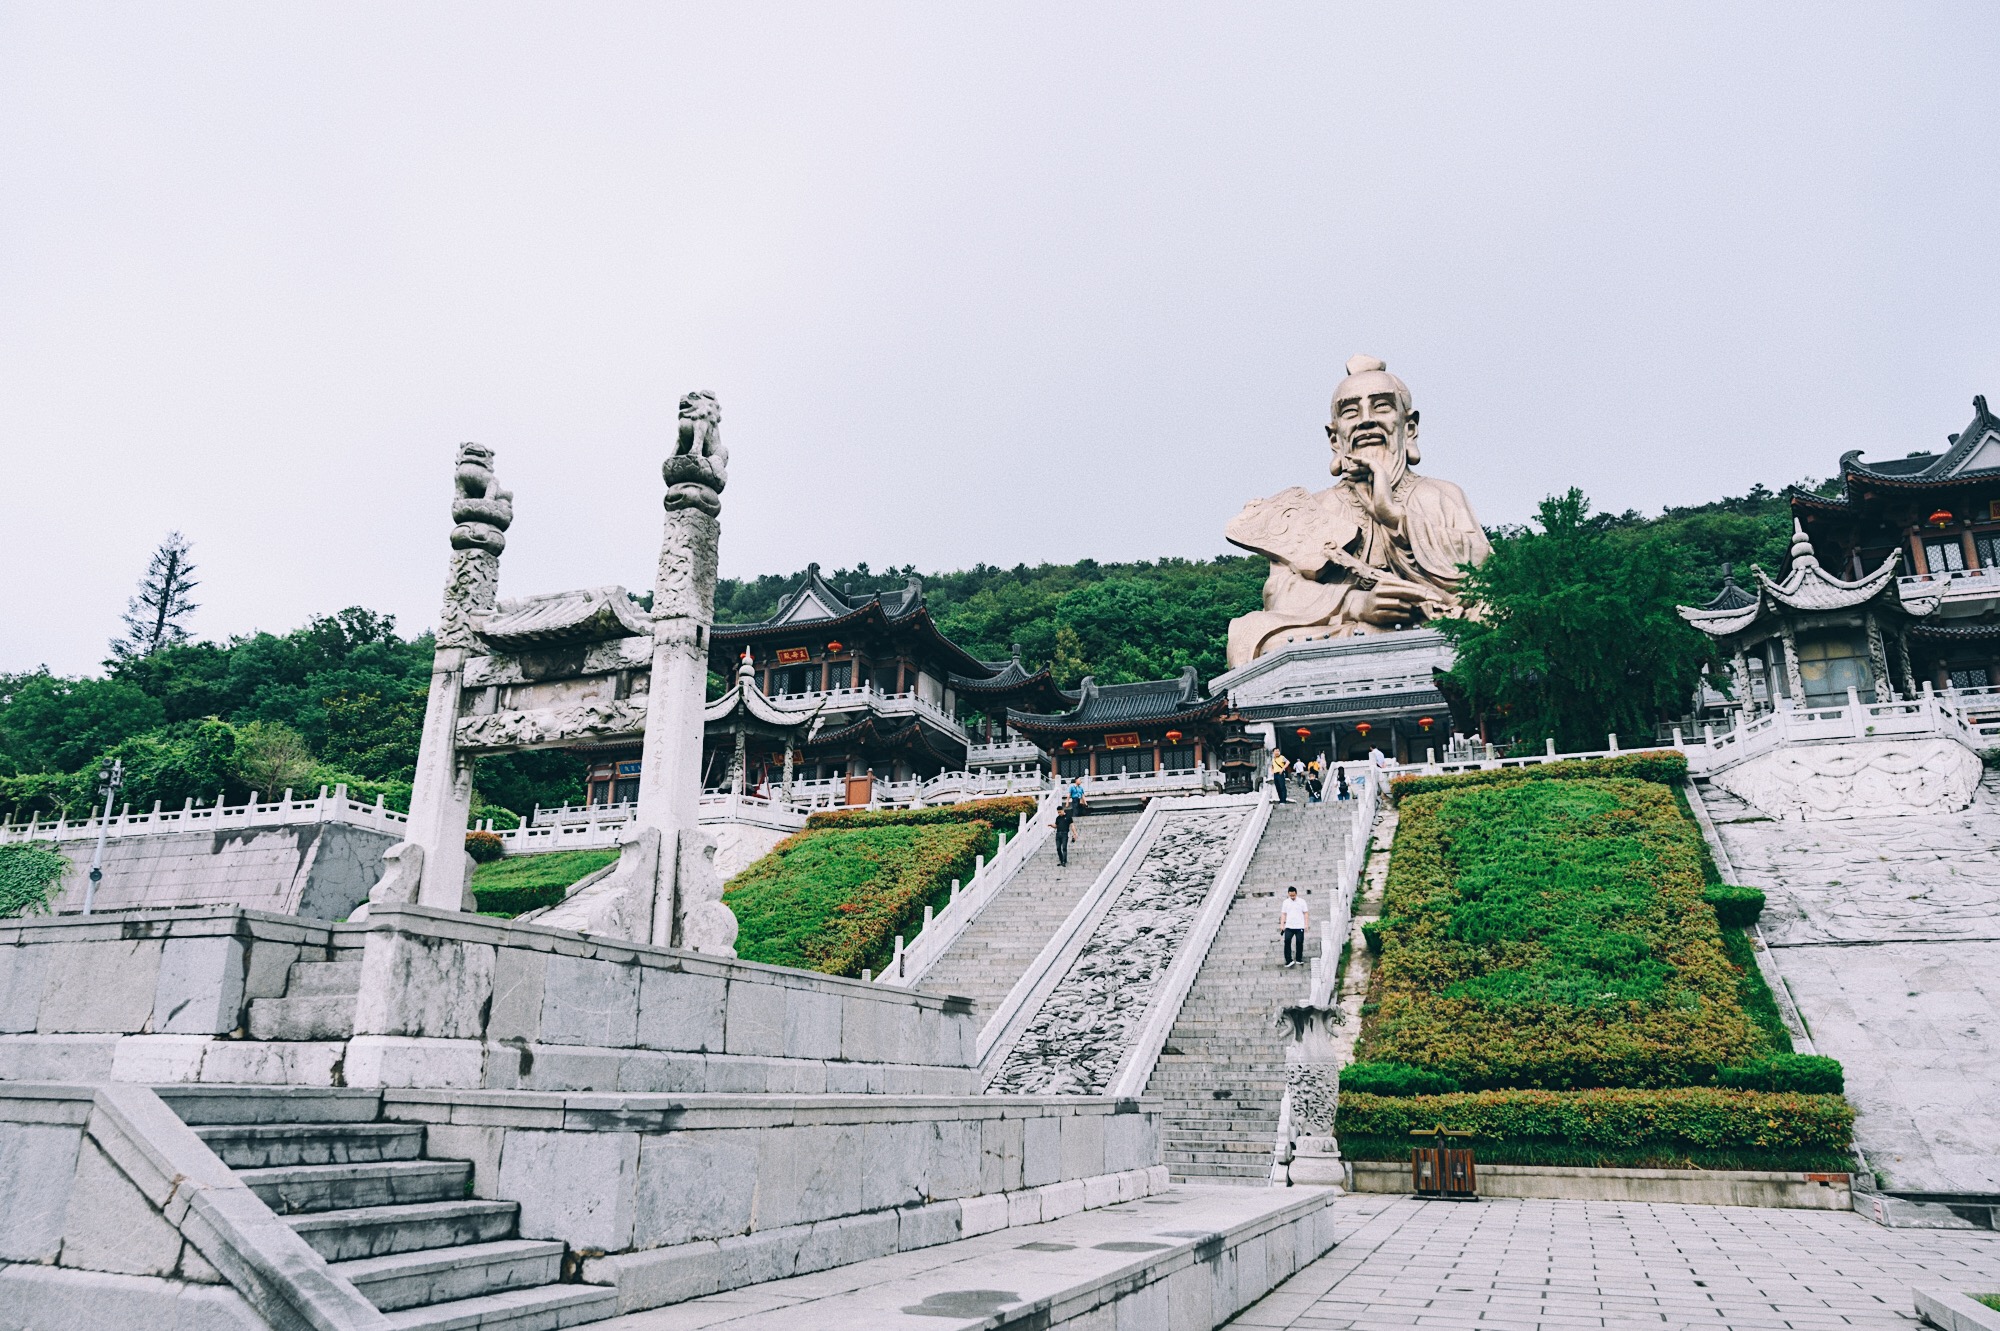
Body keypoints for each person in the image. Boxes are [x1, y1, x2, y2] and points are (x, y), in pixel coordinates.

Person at [1279, 887, 1309, 967]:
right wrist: (1282, 925)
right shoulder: (1285, 902)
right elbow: (1283, 914)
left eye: (1293, 895)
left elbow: (1306, 913)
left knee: (1299, 942)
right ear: (1288, 894)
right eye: (1290, 895)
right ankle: (1289, 960)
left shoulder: (1302, 901)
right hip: (1289, 926)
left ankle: (1299, 959)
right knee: (1287, 941)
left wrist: (1306, 924)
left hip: (1299, 926)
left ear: (1296, 893)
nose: (1292, 897)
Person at [1053, 803, 1076, 868]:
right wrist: (1052, 825)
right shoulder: (1057, 818)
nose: (1059, 813)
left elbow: (1072, 825)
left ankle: (1064, 861)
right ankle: (1061, 860)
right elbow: (1056, 826)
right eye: (1058, 812)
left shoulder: (1068, 817)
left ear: (1063, 810)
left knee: (1064, 848)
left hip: (1064, 834)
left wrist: (1074, 833)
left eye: (1060, 812)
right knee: (1058, 848)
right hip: (1058, 834)